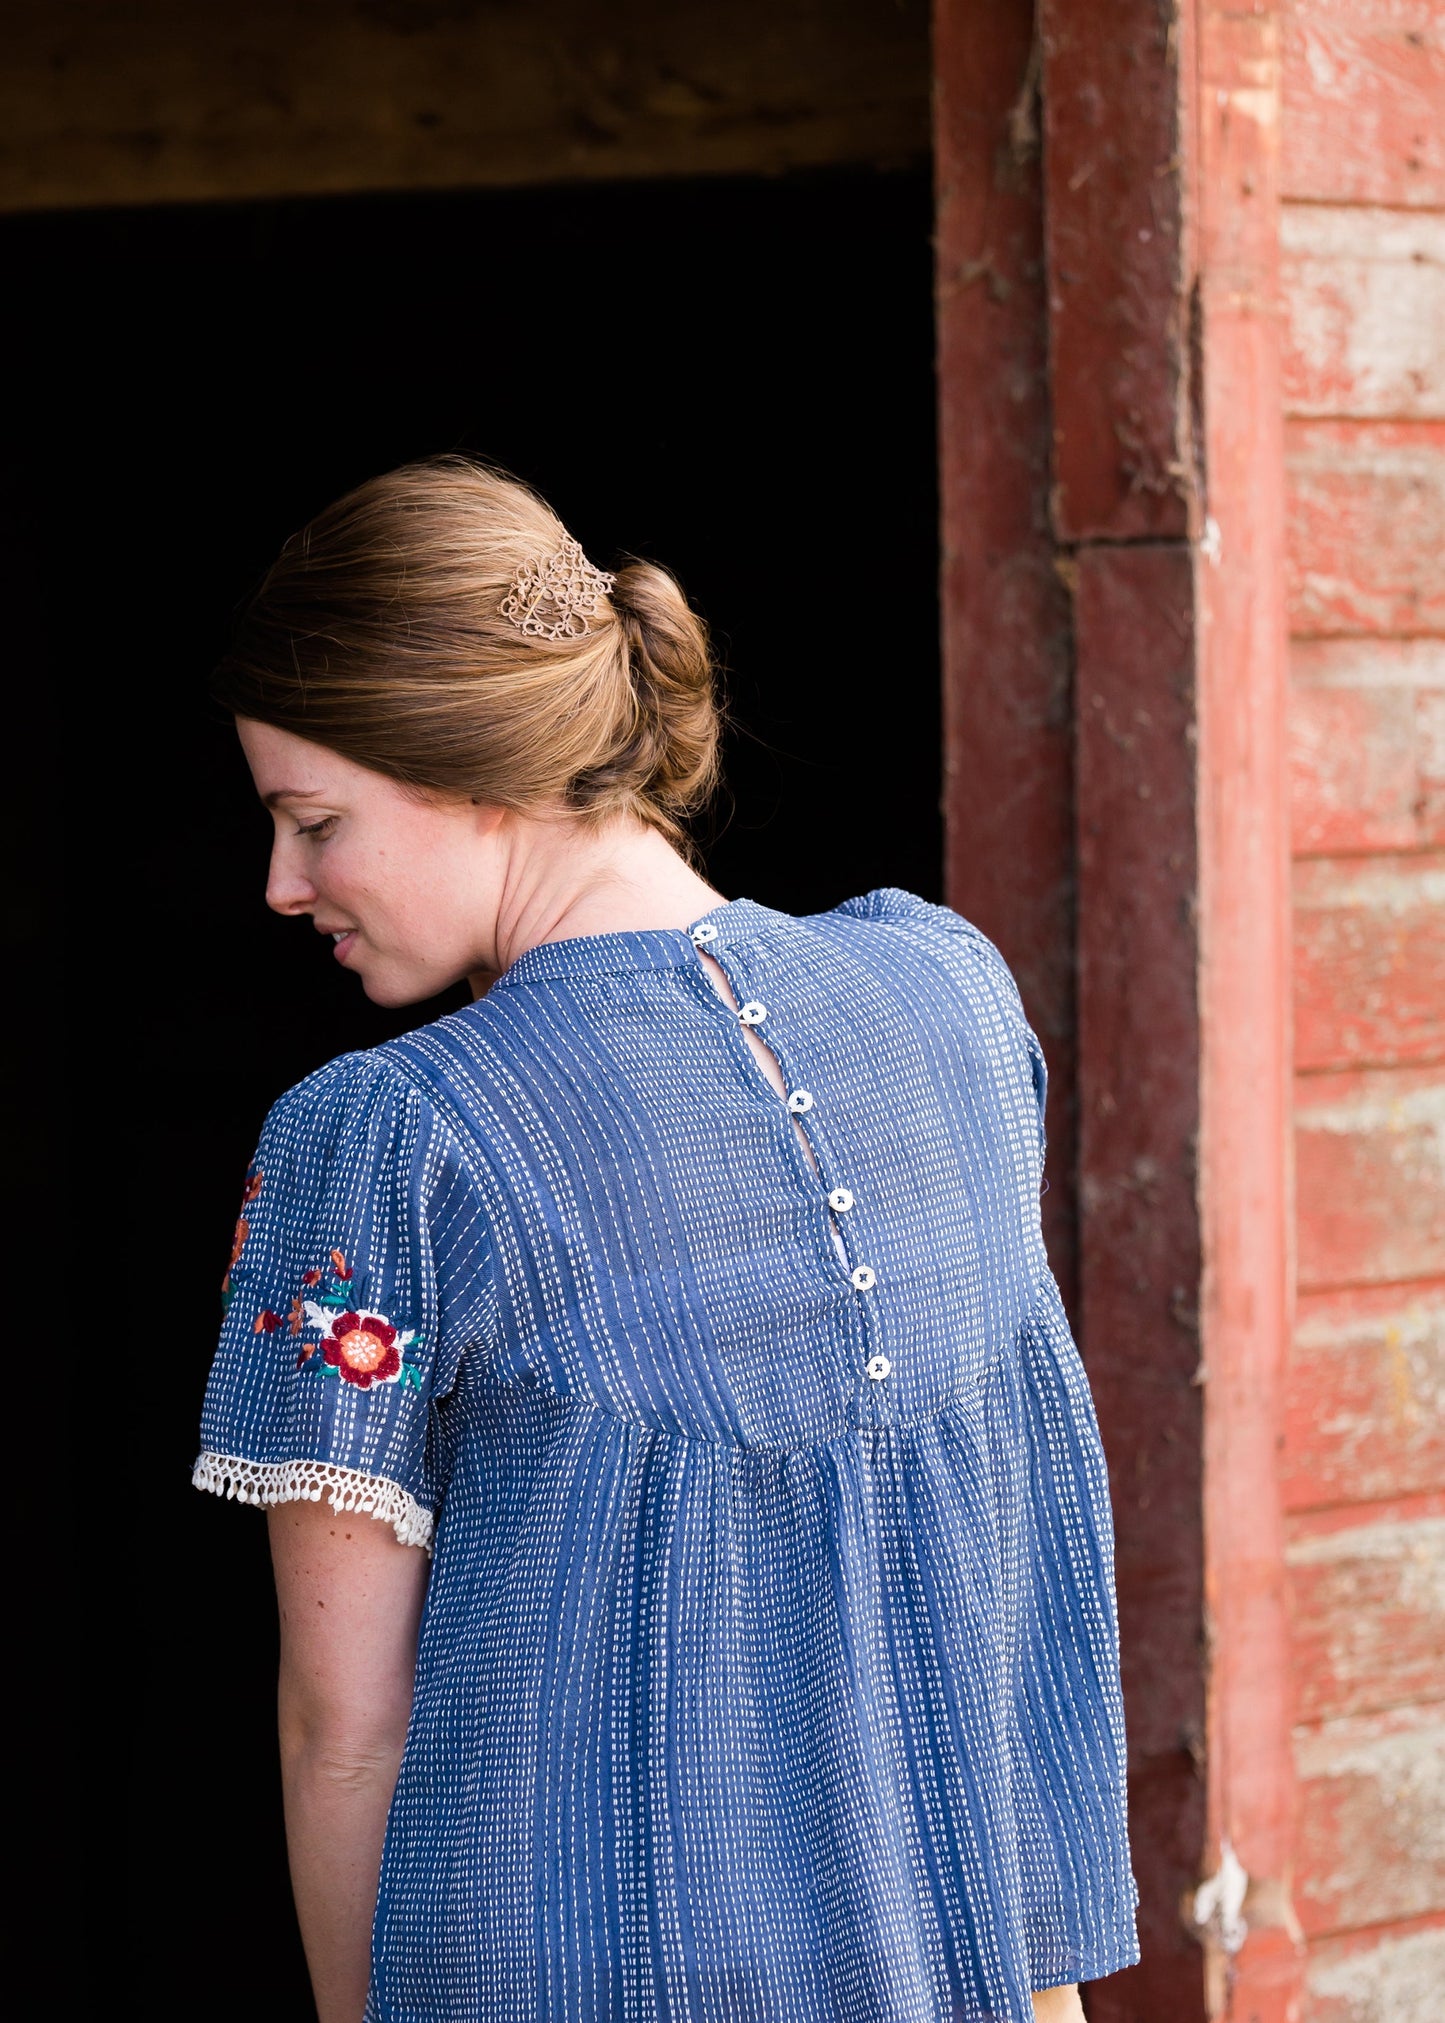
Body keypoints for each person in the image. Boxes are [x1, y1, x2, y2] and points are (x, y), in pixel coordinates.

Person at [195, 456, 1138, 2023]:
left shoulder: (389, 1134)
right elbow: (1013, 1590)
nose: (283, 885)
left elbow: (342, 1729)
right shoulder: (949, 992)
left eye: (314, 821)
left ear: (471, 771)